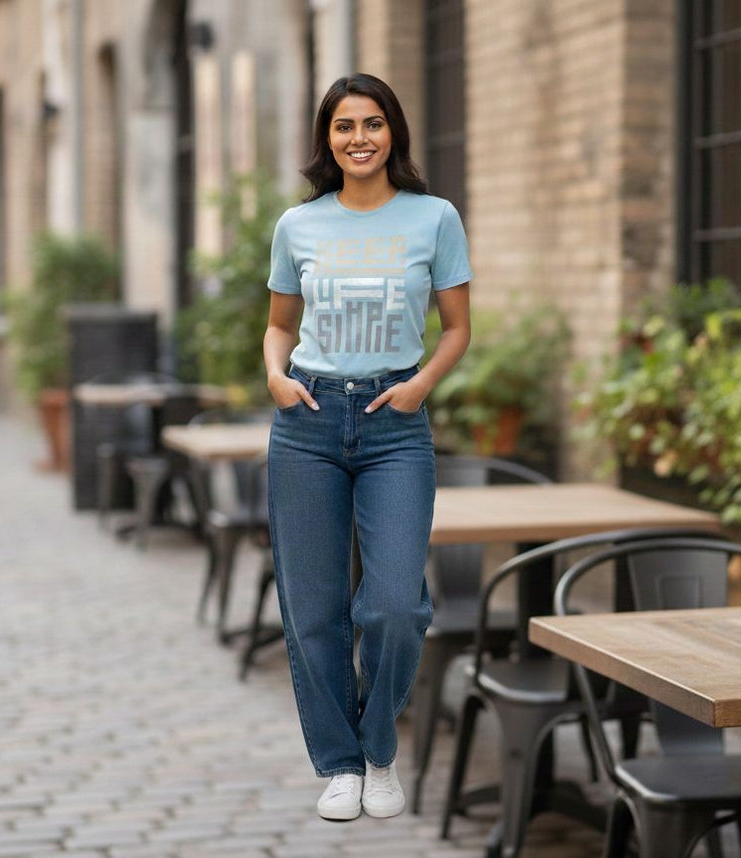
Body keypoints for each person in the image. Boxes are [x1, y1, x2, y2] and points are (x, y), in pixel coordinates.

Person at [263, 72, 472, 821]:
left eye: (373, 123)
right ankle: (341, 764)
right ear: (327, 137)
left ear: (394, 134)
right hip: (308, 422)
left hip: (394, 423)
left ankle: (379, 747)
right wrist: (274, 376)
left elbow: (456, 328)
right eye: (345, 125)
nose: (359, 138)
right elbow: (280, 324)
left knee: (392, 605)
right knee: (313, 609)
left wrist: (421, 386)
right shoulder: (299, 224)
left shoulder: (434, 217)